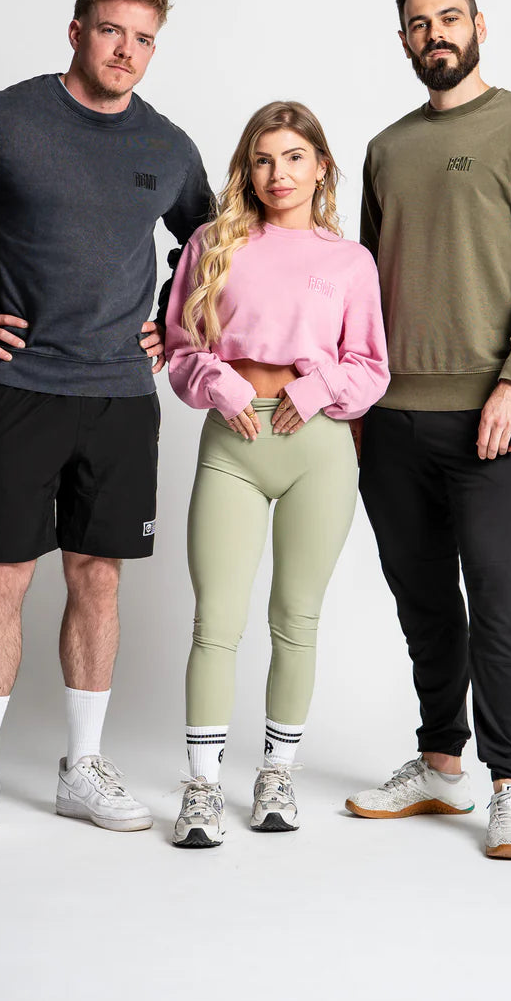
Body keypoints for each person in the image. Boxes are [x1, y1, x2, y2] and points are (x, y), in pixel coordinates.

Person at [0, 0, 212, 845]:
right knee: (2, 580)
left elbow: (210, 245)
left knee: (99, 579)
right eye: (111, 31)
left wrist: (173, 319)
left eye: (144, 39)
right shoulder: (2, 119)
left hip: (121, 397)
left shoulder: (168, 144)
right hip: (20, 389)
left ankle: (81, 767)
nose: (126, 51)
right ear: (76, 32)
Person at [347, 0, 511, 859]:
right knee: (421, 600)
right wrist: (357, 398)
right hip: (389, 418)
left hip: (490, 410)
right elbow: (363, 284)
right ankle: (441, 763)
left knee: (495, 598)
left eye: (449, 18)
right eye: (419, 23)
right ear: (403, 40)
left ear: (479, 25)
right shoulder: (386, 149)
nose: (435, 34)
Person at [164, 100, 388, 848]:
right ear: (247, 170)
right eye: (263, 159)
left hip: (316, 449)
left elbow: (370, 365)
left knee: (296, 618)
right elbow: (180, 345)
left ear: (321, 166)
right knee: (216, 621)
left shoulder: (350, 262)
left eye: (294, 157)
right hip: (233, 442)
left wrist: (318, 390)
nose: (278, 173)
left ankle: (276, 775)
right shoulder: (212, 243)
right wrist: (219, 384)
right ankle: (201, 789)